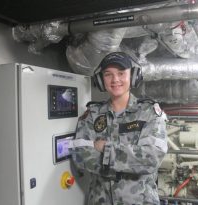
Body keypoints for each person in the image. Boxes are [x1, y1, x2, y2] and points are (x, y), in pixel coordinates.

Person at [70, 52, 168, 205]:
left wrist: (105, 149)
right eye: (108, 74)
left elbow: (151, 158)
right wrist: (131, 159)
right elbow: (80, 156)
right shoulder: (92, 114)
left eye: (121, 73)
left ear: (133, 76)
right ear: (101, 80)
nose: (115, 79)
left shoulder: (149, 113)